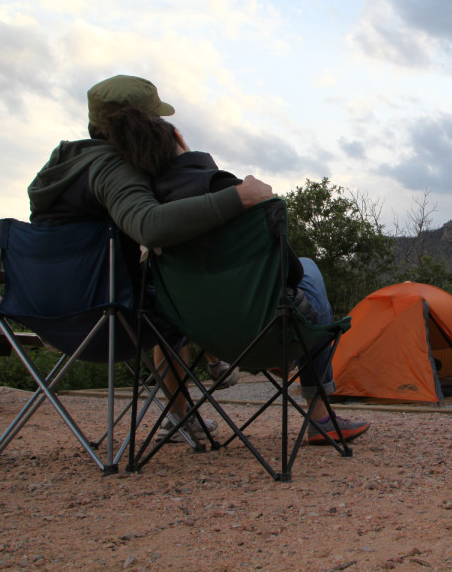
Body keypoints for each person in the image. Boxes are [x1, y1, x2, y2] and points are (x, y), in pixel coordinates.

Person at [101, 105, 369, 446]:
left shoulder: (152, 213)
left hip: (199, 332)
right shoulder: (229, 189)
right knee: (309, 268)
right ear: (178, 137)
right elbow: (291, 272)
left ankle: (187, 413)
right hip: (265, 326)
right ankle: (319, 416)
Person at [28, 75, 271, 441]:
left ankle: (181, 413)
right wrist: (240, 196)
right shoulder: (110, 168)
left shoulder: (60, 170)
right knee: (183, 294)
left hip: (52, 315)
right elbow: (149, 225)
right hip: (106, 318)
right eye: (156, 119)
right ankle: (262, 367)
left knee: (159, 295)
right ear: (139, 122)